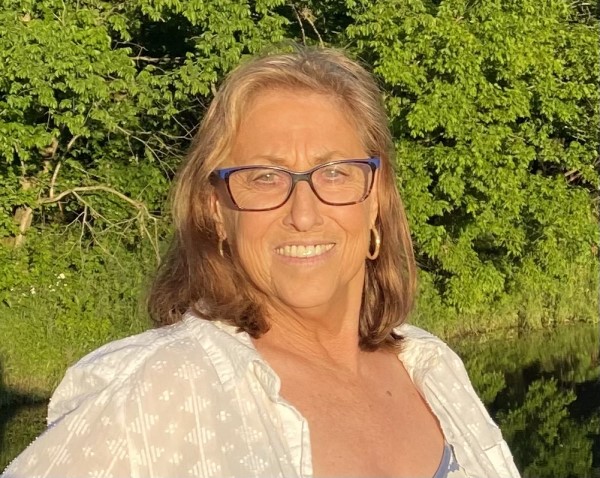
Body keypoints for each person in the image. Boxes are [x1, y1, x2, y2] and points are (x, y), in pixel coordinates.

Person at [2, 46, 520, 478]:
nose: (303, 214)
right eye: (265, 177)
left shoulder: (430, 369)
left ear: (375, 198)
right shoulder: (162, 390)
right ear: (215, 210)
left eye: (335, 172)